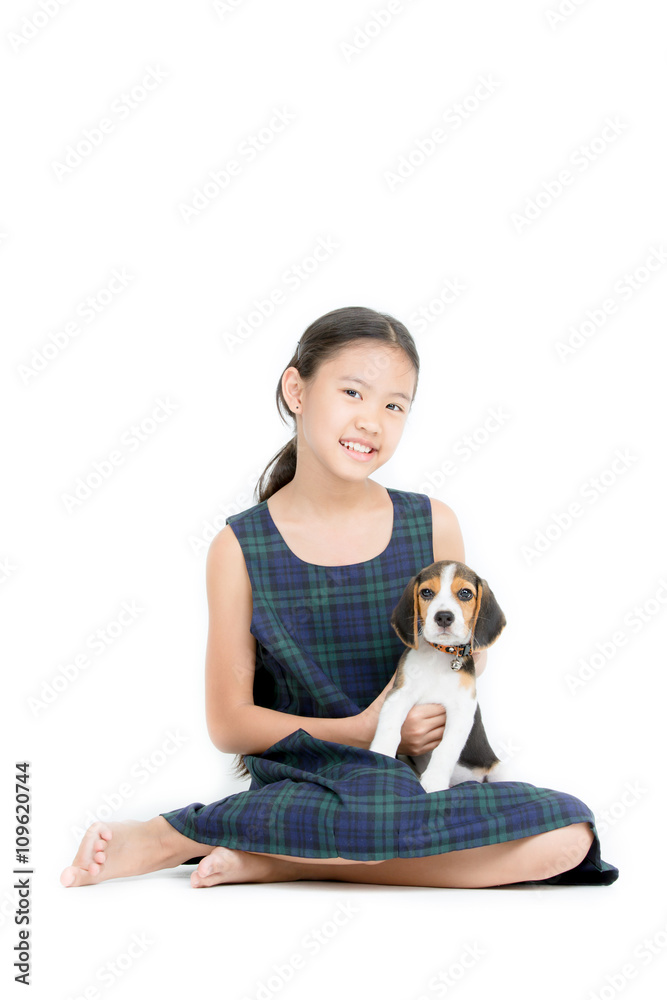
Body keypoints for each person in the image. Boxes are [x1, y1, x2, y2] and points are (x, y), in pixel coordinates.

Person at [60, 306, 619, 890]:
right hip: (311, 783)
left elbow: (465, 650)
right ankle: (180, 833)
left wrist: (445, 689)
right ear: (296, 389)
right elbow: (230, 724)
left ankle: (281, 858)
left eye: (394, 405)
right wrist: (367, 729)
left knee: (568, 837)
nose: (372, 422)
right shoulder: (239, 547)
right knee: (369, 805)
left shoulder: (433, 524)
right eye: (353, 392)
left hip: (416, 782)